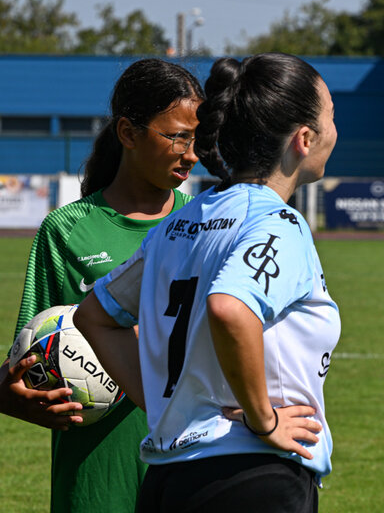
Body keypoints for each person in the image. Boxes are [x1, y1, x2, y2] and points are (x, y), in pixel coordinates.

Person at [75, 53, 340, 513]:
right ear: (304, 138)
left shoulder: (180, 224)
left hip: (167, 481)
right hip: (251, 476)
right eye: (332, 116)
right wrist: (264, 421)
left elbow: (95, 316)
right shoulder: (279, 224)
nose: (336, 130)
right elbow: (230, 308)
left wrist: (169, 407)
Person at [7, 58, 203, 513]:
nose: (191, 154)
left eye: (196, 139)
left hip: (190, 474)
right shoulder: (65, 230)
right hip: (94, 482)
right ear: (128, 133)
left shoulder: (207, 223)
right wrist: (14, 397)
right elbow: (25, 362)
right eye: (177, 137)